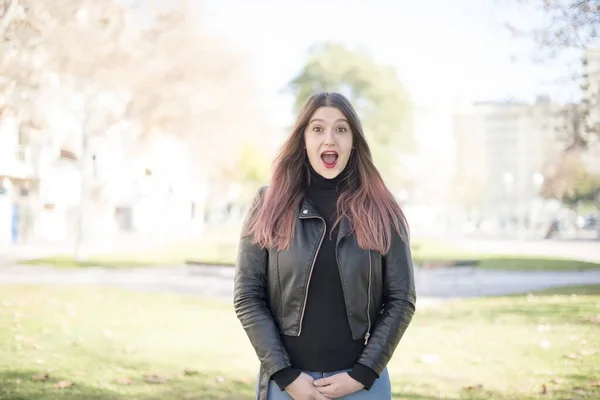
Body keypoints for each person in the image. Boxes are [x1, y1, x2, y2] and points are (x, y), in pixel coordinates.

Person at [234, 92, 416, 400]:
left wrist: (363, 374)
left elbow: (401, 299)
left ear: (354, 141)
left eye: (341, 129)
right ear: (303, 139)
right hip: (288, 387)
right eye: (317, 129)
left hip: (362, 388)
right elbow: (248, 297)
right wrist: (285, 375)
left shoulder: (382, 209)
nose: (329, 139)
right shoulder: (267, 204)